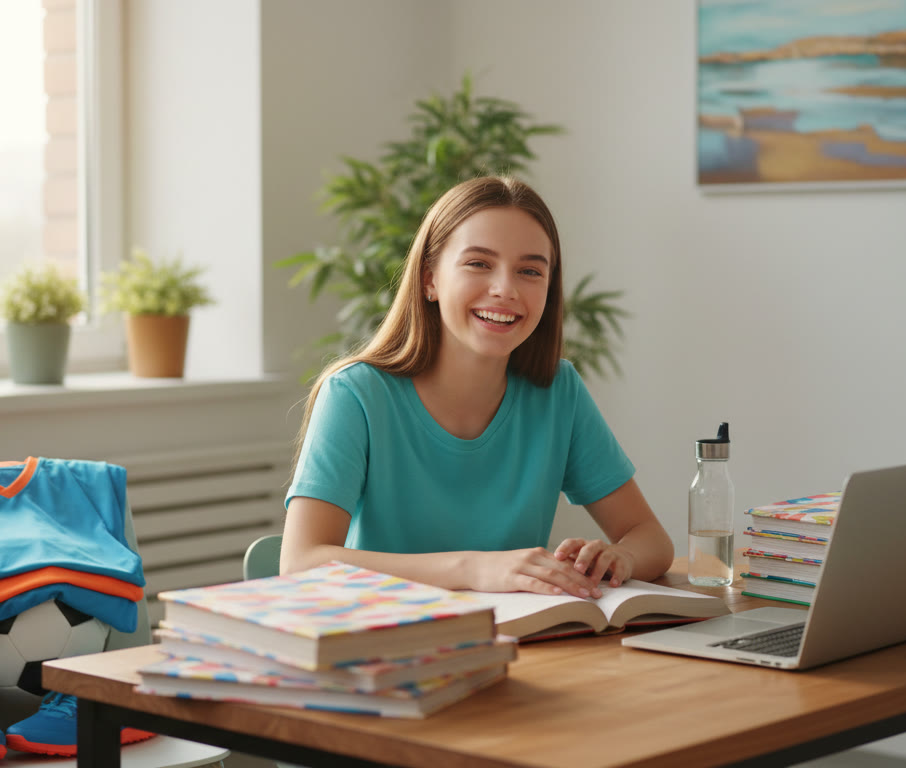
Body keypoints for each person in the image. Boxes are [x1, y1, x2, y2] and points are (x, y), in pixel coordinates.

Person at [281, 176, 673, 598]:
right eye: (478, 263)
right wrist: (472, 567)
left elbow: (650, 537)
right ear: (429, 279)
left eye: (529, 271)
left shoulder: (559, 392)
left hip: (524, 646)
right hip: (387, 645)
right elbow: (301, 562)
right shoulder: (355, 394)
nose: (505, 289)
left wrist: (621, 558)